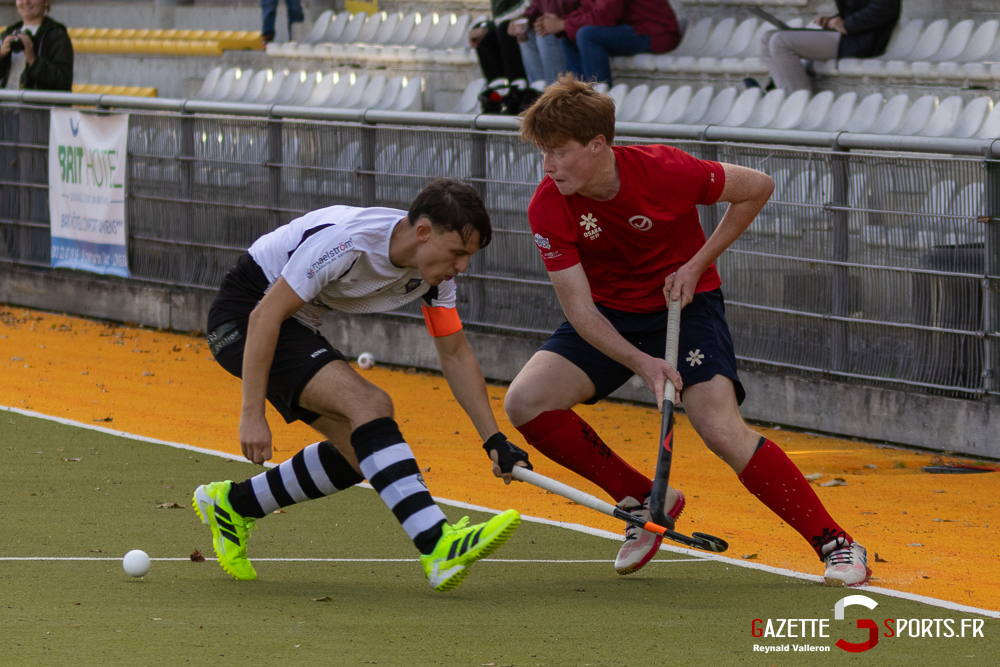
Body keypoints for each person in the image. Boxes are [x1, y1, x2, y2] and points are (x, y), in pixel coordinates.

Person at [505, 75, 871, 586]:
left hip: (685, 307)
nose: (548, 166)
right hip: (609, 318)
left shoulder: (665, 170)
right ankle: (646, 500)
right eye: (542, 152)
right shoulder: (548, 204)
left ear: (597, 144)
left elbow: (757, 188)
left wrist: (698, 263)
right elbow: (581, 311)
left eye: (559, 152)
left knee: (719, 429)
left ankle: (837, 543)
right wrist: (643, 363)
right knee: (525, 402)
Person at [193, 178, 532, 592]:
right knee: (370, 404)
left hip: (296, 323)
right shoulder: (349, 244)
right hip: (246, 317)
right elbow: (265, 317)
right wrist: (252, 415)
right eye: (458, 253)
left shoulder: (436, 278)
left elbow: (455, 354)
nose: (462, 266)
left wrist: (492, 437)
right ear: (423, 231)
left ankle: (233, 504)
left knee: (361, 454)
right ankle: (438, 544)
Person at [756, 0, 901, 93]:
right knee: (766, 38)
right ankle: (784, 95)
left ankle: (799, 99)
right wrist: (832, 21)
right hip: (847, 35)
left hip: (861, 41)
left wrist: (847, 24)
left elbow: (888, 5)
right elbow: (855, 9)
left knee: (779, 41)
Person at [534, 0, 679, 86]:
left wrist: (563, 24)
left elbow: (605, 16)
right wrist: (561, 22)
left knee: (586, 35)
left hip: (657, 31)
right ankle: (578, 99)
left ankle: (598, 101)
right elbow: (589, 8)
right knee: (569, 36)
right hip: (631, 28)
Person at [0, 0, 73, 91]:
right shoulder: (7, 33)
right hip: (5, 102)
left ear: (46, 1)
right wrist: (1, 56)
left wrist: (33, 60)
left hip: (36, 104)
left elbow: (63, 82)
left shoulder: (57, 35)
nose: (26, 2)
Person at [509, 0, 575, 85]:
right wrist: (525, 17)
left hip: (572, 24)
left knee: (544, 35)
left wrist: (560, 22)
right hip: (553, 22)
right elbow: (537, 6)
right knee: (525, 32)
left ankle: (556, 90)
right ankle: (538, 87)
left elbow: (579, 6)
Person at [468, 0, 528, 83]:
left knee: (504, 31)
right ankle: (497, 90)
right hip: (505, 26)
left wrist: (487, 28)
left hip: (530, 24)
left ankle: (517, 88)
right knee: (484, 40)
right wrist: (485, 28)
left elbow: (526, 5)